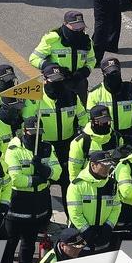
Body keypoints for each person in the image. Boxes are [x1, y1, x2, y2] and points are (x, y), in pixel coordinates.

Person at [3, 118, 59, 263]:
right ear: (24, 131)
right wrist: (38, 179)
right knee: (10, 245)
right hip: (17, 205)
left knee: (28, 244)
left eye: (39, 132)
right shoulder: (14, 150)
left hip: (38, 205)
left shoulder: (47, 148)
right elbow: (16, 179)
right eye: (33, 132)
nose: (36, 135)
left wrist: (42, 168)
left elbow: (57, 173)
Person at [37, 63, 87, 205]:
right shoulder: (35, 98)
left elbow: (83, 118)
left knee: (68, 183)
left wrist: (83, 138)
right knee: (44, 184)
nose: (57, 83)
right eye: (53, 80)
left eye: (60, 79)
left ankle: (69, 214)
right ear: (45, 80)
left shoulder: (72, 96)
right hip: (44, 147)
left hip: (67, 146)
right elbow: (27, 122)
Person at [30, 10, 97, 105]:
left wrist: (84, 71)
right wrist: (52, 68)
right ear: (65, 24)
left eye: (80, 27)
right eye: (75, 27)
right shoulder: (52, 39)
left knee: (81, 110)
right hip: (57, 82)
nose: (78, 30)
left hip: (78, 82)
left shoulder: (86, 41)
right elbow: (34, 58)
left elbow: (91, 60)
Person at [66, 149, 121, 250]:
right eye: (104, 166)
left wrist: (108, 226)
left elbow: (116, 208)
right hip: (80, 234)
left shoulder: (112, 184)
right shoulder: (77, 185)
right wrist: (86, 231)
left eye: (109, 165)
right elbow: (75, 213)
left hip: (103, 234)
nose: (107, 169)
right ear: (93, 165)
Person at [87, 57, 132, 144]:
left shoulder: (131, 90)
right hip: (105, 136)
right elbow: (89, 119)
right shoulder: (94, 93)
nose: (114, 75)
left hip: (128, 136)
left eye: (116, 72)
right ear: (103, 74)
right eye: (110, 73)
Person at [68, 103, 128, 180]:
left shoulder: (117, 138)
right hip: (90, 183)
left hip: (111, 181)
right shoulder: (80, 142)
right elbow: (74, 170)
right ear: (92, 122)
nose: (105, 124)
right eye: (101, 121)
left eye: (107, 120)